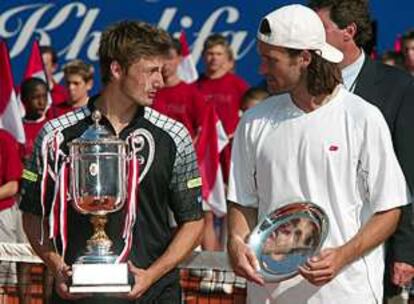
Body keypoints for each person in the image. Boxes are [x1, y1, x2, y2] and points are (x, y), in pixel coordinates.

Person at [227, 4, 409, 304]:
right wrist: (236, 242)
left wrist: (341, 256)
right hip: (269, 294)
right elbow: (243, 202)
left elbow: (389, 210)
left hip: (347, 293)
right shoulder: (253, 121)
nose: (261, 69)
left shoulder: (363, 117)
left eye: (270, 60)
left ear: (305, 58)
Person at [20, 20, 204, 304]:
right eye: (151, 71)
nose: (161, 81)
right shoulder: (56, 134)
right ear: (117, 69)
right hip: (79, 297)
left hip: (155, 296)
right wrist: (57, 267)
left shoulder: (174, 135)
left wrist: (151, 275)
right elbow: (33, 215)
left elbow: (193, 221)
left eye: (162, 71)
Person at [309, 0, 414, 301]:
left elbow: (407, 171)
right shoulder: (302, 86)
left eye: (320, 29)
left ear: (349, 32)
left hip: (376, 246)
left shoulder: (399, 87)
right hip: (316, 244)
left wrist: (406, 251)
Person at [197, 34, 249, 185]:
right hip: (205, 154)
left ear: (227, 57)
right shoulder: (195, 86)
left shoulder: (238, 85)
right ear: (203, 56)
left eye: (219, 54)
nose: (214, 58)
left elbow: (251, 113)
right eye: (210, 54)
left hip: (231, 151)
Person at [21, 77, 49, 161]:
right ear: (24, 100)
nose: (41, 102)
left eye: (44, 96)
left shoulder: (52, 127)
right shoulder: (17, 129)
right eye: (35, 97)